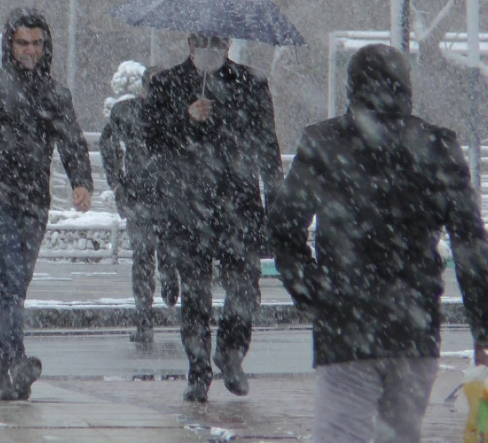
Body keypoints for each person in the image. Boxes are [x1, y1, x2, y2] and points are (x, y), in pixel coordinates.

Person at [266, 44, 488, 443]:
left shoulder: (324, 143)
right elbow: (471, 245)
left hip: (345, 324)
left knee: (340, 433)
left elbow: (284, 228)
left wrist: (314, 292)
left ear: (351, 88)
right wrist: (484, 330)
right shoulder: (438, 146)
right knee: (401, 434)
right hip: (414, 323)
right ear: (406, 88)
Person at [0, 8, 93, 401]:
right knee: (10, 283)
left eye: (37, 44)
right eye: (23, 43)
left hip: (34, 204)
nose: (30, 51)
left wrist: (81, 183)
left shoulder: (55, 94)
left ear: (47, 47)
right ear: (10, 44)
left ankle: (0, 375)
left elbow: (72, 141)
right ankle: (15, 362)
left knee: (14, 288)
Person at [143, 34, 282, 402]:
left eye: (218, 41)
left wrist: (275, 203)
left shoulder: (251, 83)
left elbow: (268, 144)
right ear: (189, 42)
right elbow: (151, 142)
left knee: (242, 288)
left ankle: (231, 353)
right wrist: (183, 117)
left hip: (238, 203)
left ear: (229, 43)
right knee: (196, 294)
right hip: (188, 204)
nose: (211, 49)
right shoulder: (166, 83)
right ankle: (198, 369)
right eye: (203, 41)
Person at [100, 63, 178, 345]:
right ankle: (144, 320)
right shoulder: (126, 112)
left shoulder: (176, 115)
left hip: (170, 197)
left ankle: (170, 278)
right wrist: (118, 182)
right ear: (143, 89)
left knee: (167, 252)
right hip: (140, 196)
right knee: (143, 259)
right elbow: (107, 144)